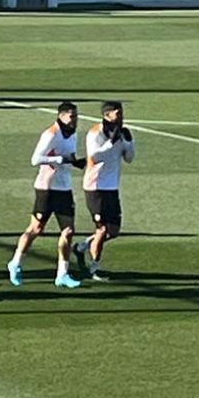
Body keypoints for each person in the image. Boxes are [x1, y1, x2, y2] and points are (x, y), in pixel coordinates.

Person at [9, 102, 85, 289]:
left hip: (64, 188)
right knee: (36, 229)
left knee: (68, 231)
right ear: (61, 116)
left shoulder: (72, 133)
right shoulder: (50, 134)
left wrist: (76, 163)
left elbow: (69, 155)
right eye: (71, 116)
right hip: (46, 187)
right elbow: (35, 159)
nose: (75, 120)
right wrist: (57, 159)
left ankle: (62, 274)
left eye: (76, 116)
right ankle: (15, 262)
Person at [78, 101, 135, 281]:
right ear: (106, 115)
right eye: (117, 113)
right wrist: (111, 142)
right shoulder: (95, 133)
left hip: (111, 187)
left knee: (113, 231)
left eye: (121, 113)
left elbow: (129, 159)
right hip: (95, 186)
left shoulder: (121, 133)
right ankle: (94, 268)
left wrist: (129, 142)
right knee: (102, 229)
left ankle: (81, 247)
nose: (121, 117)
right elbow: (93, 158)